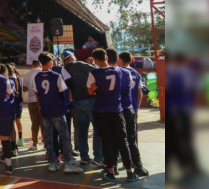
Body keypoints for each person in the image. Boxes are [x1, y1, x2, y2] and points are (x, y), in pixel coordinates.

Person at [88, 48, 138, 182]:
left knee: (107, 141)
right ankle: (130, 172)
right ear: (106, 57)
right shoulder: (121, 71)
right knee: (123, 141)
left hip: (101, 111)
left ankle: (111, 171)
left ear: (95, 60)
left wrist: (94, 89)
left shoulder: (93, 73)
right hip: (117, 110)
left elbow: (90, 91)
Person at [32, 52, 83, 174]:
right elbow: (63, 92)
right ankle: (68, 164)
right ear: (50, 62)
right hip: (58, 110)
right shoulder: (56, 76)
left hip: (45, 110)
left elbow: (36, 93)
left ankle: (52, 163)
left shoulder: (37, 77)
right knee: (64, 137)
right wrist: (65, 105)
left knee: (48, 138)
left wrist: (40, 106)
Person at [64, 51, 102, 166]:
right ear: (71, 57)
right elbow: (97, 71)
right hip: (90, 99)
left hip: (77, 101)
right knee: (97, 129)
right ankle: (98, 156)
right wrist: (93, 63)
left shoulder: (65, 69)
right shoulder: (81, 64)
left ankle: (84, 156)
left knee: (82, 130)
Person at [117, 51, 149, 176]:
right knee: (132, 137)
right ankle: (137, 164)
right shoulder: (136, 73)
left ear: (120, 59)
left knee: (120, 136)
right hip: (132, 108)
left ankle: (121, 161)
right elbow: (139, 92)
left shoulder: (118, 72)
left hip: (119, 108)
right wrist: (137, 108)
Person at [22, 60, 44, 151]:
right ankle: (45, 143)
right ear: (40, 65)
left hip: (31, 100)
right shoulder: (43, 72)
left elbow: (24, 89)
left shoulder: (28, 74)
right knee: (44, 123)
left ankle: (35, 143)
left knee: (34, 123)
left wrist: (30, 88)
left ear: (32, 65)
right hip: (43, 100)